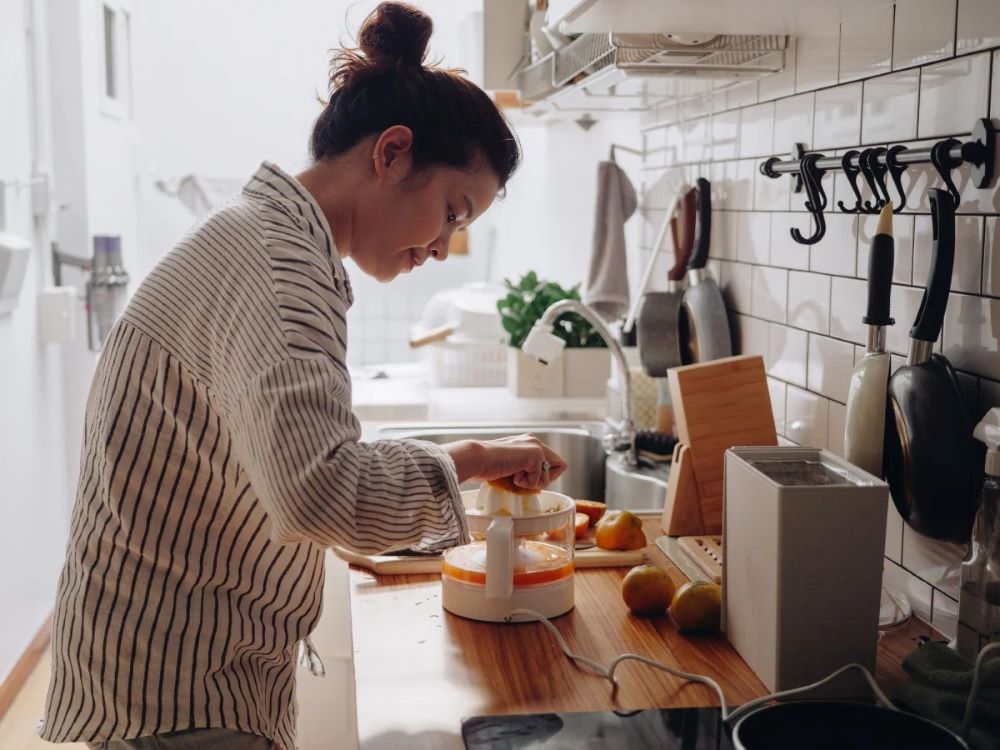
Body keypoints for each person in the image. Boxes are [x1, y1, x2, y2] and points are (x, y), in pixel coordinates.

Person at [41, 4, 567, 748]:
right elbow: (326, 495)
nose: (442, 247)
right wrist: (476, 460)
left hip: (158, 668)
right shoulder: (280, 272)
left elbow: (301, 466)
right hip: (181, 691)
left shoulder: (261, 236)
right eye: (452, 213)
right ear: (392, 153)